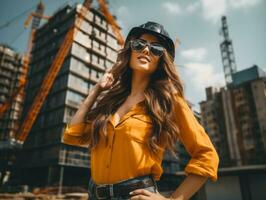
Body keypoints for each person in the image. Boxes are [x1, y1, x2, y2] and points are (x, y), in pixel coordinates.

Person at [62, 21, 219, 200]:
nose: (146, 50)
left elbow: (207, 155)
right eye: (139, 44)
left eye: (156, 49)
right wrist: (96, 90)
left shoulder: (168, 100)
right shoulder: (112, 101)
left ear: (161, 60)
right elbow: (73, 135)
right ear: (130, 51)